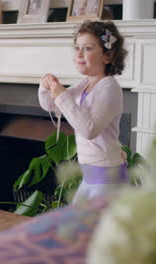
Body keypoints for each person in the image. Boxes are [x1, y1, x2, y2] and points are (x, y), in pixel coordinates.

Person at [38, 20, 128, 204]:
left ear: (107, 56)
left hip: (107, 182)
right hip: (90, 179)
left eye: (87, 48)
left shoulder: (109, 88)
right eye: (77, 48)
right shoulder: (83, 85)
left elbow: (89, 129)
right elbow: (51, 104)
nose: (79, 54)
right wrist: (46, 86)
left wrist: (62, 95)